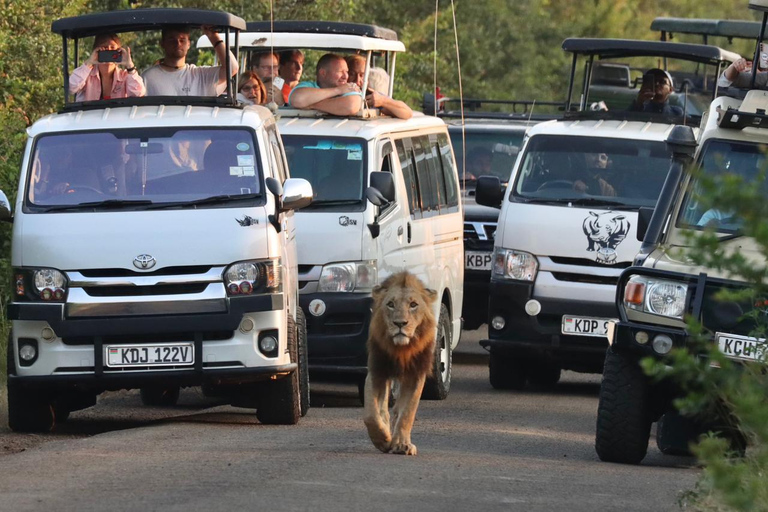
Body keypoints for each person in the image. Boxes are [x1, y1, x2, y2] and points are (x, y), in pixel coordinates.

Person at [142, 25, 238, 96]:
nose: (177, 43)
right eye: (172, 40)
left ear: (189, 44)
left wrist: (213, 37)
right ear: (162, 43)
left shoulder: (201, 76)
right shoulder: (148, 77)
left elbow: (232, 68)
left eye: (182, 40)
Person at [69, 32, 145, 101]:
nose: (108, 50)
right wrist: (89, 62)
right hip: (90, 115)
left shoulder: (125, 76)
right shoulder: (86, 75)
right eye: (104, 48)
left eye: (112, 48)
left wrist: (130, 67)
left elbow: (139, 94)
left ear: (119, 51)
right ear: (96, 51)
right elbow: (72, 87)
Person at [288, 53, 362, 115]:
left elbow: (350, 106)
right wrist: (338, 90)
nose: (345, 76)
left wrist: (311, 104)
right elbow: (297, 99)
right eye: (340, 71)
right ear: (323, 73)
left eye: (346, 71)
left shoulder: (349, 88)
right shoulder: (308, 86)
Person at [346, 57, 413, 120]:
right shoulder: (337, 94)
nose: (357, 80)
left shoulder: (371, 96)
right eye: (352, 74)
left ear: (367, 77)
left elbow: (407, 113)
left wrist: (383, 101)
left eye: (362, 75)